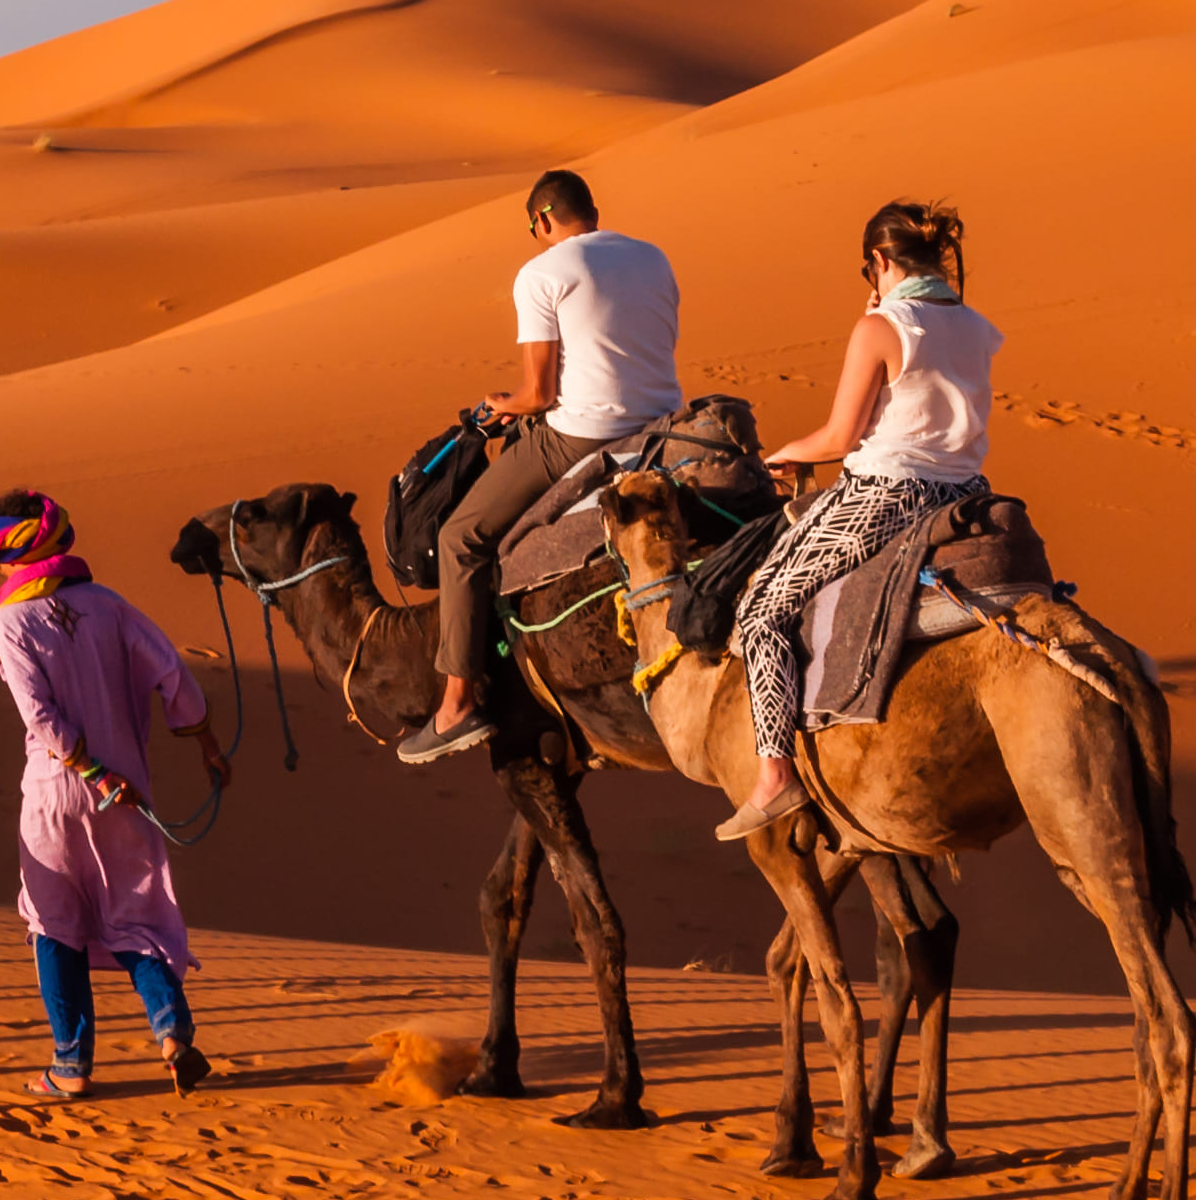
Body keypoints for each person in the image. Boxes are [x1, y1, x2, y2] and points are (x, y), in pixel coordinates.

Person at [714, 202, 1002, 842]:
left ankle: (774, 773)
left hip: (888, 494)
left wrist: (785, 454)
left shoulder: (882, 325)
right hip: (967, 493)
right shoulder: (980, 327)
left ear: (879, 262)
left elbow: (842, 436)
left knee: (762, 607)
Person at [403, 169, 683, 764]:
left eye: (535, 229)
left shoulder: (543, 272)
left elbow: (538, 391)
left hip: (585, 436)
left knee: (460, 537)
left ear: (542, 221)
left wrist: (505, 405)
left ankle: (455, 705)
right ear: (594, 210)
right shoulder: (652, 256)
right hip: (663, 426)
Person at [0, 489, 225, 1097]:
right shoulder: (109, 605)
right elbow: (171, 669)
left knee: (53, 924)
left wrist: (87, 766)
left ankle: (70, 1067)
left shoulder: (11, 620)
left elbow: (38, 713)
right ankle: (172, 1035)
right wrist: (204, 739)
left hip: (57, 794)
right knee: (135, 917)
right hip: (125, 793)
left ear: (15, 555)